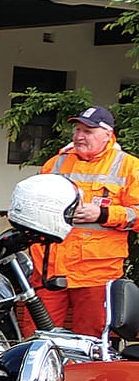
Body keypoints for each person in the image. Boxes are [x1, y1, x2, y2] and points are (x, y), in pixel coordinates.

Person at [37, 106, 137, 335]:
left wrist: (102, 214)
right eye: (78, 129)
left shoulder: (130, 167)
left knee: (90, 341)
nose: (79, 136)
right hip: (49, 268)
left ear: (107, 135)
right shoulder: (56, 163)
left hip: (96, 273)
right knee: (39, 339)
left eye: (88, 131)